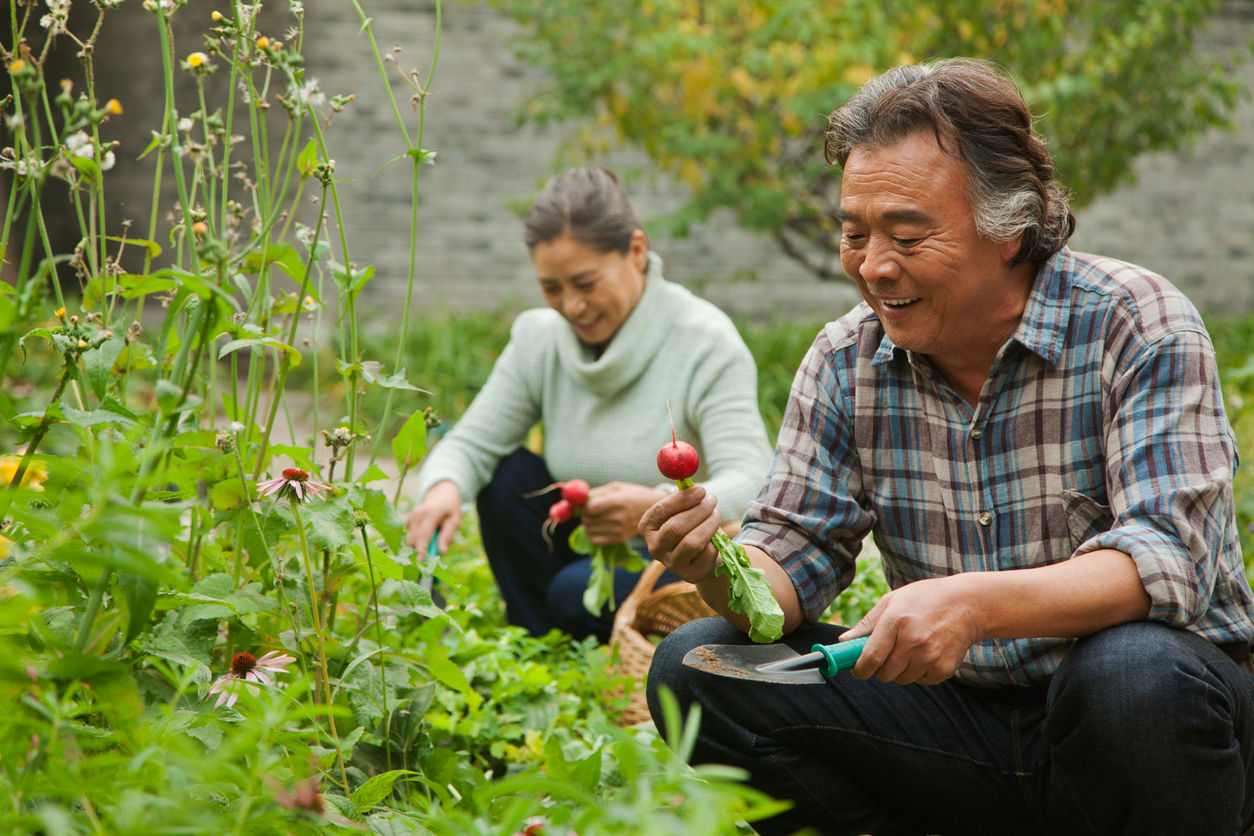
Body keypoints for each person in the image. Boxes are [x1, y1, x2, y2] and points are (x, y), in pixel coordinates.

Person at [639, 58, 1254, 836]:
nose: (873, 266)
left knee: (1132, 673)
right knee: (695, 667)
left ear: (1009, 228)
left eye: (906, 234)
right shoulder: (844, 360)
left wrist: (971, 605)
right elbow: (788, 563)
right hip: (965, 728)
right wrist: (715, 565)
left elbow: (1169, 559)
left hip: (1147, 723)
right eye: (854, 234)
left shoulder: (1136, 322)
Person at [404, 166, 773, 642]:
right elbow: (471, 443)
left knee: (574, 592)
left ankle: (576, 640)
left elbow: (752, 477)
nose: (571, 306)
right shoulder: (540, 339)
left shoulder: (704, 342)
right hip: (582, 542)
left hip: (671, 554)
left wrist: (658, 507)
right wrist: (442, 489)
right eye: (552, 288)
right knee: (505, 475)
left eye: (585, 283)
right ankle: (543, 649)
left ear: (637, 252)